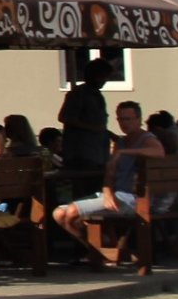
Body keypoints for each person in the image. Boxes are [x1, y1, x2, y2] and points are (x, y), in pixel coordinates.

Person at [53, 100, 162, 258]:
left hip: (133, 199)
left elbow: (159, 151)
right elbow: (110, 172)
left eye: (128, 119)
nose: (124, 123)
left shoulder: (146, 138)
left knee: (71, 212)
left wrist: (124, 153)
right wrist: (107, 190)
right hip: (114, 195)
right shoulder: (121, 142)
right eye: (120, 119)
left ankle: (102, 251)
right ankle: (101, 250)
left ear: (139, 119)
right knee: (59, 214)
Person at [57, 57, 113, 176]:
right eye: (104, 77)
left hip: (98, 153)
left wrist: (110, 135)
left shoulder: (97, 96)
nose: (105, 80)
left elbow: (99, 126)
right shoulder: (78, 94)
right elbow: (64, 117)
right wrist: (91, 128)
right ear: (95, 76)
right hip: (81, 154)